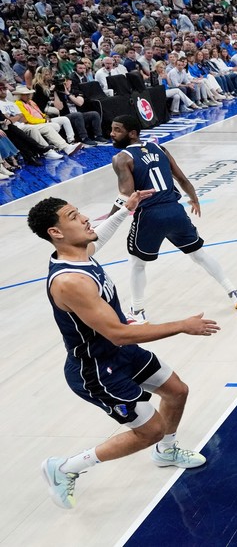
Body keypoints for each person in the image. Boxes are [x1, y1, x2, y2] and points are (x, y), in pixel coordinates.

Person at [27, 192, 220, 509]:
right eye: (74, 216)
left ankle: (167, 451)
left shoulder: (77, 253)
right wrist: (182, 325)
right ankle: (64, 468)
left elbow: (95, 241)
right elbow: (118, 333)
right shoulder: (70, 281)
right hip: (99, 369)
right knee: (150, 430)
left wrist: (122, 210)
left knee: (177, 391)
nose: (85, 218)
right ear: (55, 232)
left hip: (120, 354)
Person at [108, 115, 237, 323]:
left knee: (137, 264)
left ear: (133, 133)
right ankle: (234, 292)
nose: (112, 134)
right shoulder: (161, 149)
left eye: (117, 130)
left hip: (150, 215)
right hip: (175, 211)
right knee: (199, 254)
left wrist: (108, 221)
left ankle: (138, 312)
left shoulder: (121, 158)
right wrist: (194, 198)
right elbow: (181, 179)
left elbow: (126, 196)